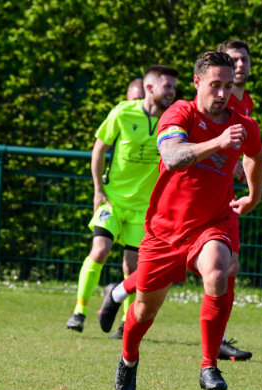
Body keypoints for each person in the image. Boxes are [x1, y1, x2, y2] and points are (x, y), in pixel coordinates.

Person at [113, 50, 262, 390]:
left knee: (218, 272)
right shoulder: (180, 112)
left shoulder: (242, 123)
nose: (222, 93)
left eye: (227, 86)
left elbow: (255, 154)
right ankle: (128, 358)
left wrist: (253, 196)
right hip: (165, 229)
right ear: (197, 82)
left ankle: (208, 365)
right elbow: (172, 156)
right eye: (215, 85)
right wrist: (218, 143)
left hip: (212, 221)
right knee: (145, 309)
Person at [65, 65, 179, 333]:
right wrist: (98, 190)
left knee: (133, 268)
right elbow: (98, 149)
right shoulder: (122, 112)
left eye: (174, 87)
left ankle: (126, 322)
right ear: (149, 88)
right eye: (167, 86)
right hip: (113, 201)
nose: (172, 92)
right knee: (100, 250)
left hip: (145, 208)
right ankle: (79, 312)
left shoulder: (174, 120)